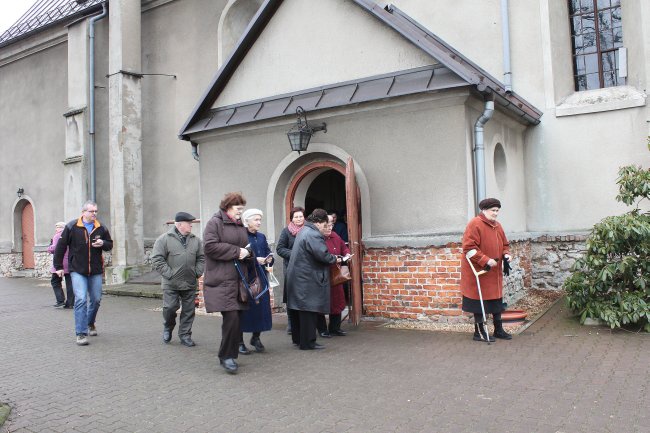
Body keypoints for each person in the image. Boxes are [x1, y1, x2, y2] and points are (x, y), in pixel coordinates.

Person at [202, 192, 251, 374]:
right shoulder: (215, 223)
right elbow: (209, 247)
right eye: (239, 209)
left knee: (237, 319)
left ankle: (230, 353)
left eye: (242, 209)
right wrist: (237, 252)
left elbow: (245, 247)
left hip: (238, 281)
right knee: (231, 319)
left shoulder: (239, 225)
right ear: (228, 207)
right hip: (222, 280)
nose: (241, 212)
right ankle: (226, 357)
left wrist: (250, 254)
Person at [54, 200, 113, 346]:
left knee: (96, 299)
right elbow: (60, 247)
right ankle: (80, 333)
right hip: (77, 270)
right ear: (83, 212)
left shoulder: (101, 228)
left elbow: (110, 244)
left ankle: (90, 322)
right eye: (91, 211)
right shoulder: (72, 226)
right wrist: (58, 266)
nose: (94, 214)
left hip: (95, 270)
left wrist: (103, 244)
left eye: (96, 211)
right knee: (80, 299)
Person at [286, 208, 341, 350]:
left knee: (298, 310)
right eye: (325, 224)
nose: (326, 227)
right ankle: (308, 342)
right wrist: (334, 258)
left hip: (298, 277)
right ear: (318, 222)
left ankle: (298, 340)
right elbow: (322, 255)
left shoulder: (304, 230)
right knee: (308, 310)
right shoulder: (313, 234)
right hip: (307, 279)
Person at [461, 198, 512, 342]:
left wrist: (506, 254)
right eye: (493, 210)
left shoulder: (498, 226)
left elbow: (505, 244)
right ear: (484, 210)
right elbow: (469, 248)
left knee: (496, 301)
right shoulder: (475, 224)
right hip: (480, 272)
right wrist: (485, 260)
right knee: (480, 303)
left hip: (494, 273)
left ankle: (498, 330)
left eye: (497, 211)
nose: (496, 213)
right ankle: (480, 332)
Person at [151, 212, 205, 347]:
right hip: (171, 283)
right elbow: (157, 259)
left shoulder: (196, 240)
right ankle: (168, 327)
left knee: (189, 311)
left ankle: (185, 335)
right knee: (170, 308)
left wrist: (197, 272)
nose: (191, 225)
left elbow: (202, 258)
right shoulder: (163, 239)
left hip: (190, 282)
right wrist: (169, 274)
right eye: (189, 223)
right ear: (180, 224)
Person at [238, 208, 274, 355]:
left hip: (261, 277)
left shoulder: (261, 236)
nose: (259, 222)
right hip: (245, 278)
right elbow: (238, 257)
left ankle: (256, 337)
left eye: (260, 219)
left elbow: (266, 252)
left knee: (261, 309)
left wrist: (270, 259)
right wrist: (254, 259)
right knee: (243, 310)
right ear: (247, 221)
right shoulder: (240, 237)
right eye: (256, 219)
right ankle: (239, 342)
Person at [317, 214, 351, 337]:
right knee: (321, 303)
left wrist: (346, 254)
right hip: (322, 275)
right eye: (327, 225)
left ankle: (335, 328)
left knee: (337, 301)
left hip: (336, 274)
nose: (330, 228)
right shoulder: (317, 238)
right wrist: (333, 258)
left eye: (331, 225)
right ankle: (322, 329)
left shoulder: (335, 235)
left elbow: (344, 247)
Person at [276, 206, 305, 334]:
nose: (299, 219)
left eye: (301, 216)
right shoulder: (286, 231)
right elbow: (280, 249)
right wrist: (295, 253)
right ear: (292, 218)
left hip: (306, 269)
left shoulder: (308, 230)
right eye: (296, 217)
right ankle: (291, 325)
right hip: (291, 268)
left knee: (304, 296)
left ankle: (305, 324)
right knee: (292, 297)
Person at [48, 221, 74, 308]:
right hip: (70, 262)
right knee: (69, 283)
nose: (56, 229)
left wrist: (49, 247)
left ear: (61, 228)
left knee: (55, 281)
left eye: (57, 227)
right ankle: (70, 303)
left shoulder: (57, 235)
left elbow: (55, 248)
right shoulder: (71, 234)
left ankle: (60, 301)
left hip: (60, 262)